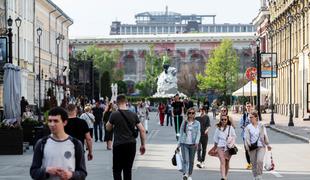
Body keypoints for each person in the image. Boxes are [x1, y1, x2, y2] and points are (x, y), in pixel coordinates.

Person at [30, 107, 87, 180]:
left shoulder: (76, 144)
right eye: (50, 121)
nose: (52, 124)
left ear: (64, 122)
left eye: (56, 121)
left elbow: (82, 173)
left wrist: (71, 175)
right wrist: (46, 170)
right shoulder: (41, 143)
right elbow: (33, 171)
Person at [106, 94, 146, 180]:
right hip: (131, 144)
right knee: (128, 169)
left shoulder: (114, 114)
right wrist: (143, 145)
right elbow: (142, 130)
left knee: (117, 169)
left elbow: (108, 128)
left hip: (118, 145)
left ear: (117, 102)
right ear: (126, 102)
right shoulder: (133, 114)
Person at [245, 111, 272, 180]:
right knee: (253, 163)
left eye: (251, 117)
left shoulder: (261, 126)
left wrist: (268, 144)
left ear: (256, 117)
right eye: (249, 117)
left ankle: (259, 175)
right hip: (252, 147)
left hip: (261, 146)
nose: (250, 119)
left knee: (259, 161)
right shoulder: (248, 127)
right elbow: (247, 138)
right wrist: (248, 145)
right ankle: (255, 176)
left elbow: (265, 136)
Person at [178, 107, 201, 180]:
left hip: (193, 144)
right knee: (186, 160)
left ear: (195, 114)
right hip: (184, 143)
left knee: (191, 161)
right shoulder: (184, 122)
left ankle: (190, 174)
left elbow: (198, 133)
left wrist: (197, 142)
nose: (191, 114)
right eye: (190, 113)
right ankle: (185, 174)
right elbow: (181, 132)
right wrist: (179, 143)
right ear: (187, 114)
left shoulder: (197, 123)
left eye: (193, 113)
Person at [213, 114, 236, 180]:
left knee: (227, 162)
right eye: (222, 119)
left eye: (225, 119)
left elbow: (234, 136)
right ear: (220, 120)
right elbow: (216, 139)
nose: (223, 121)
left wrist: (231, 143)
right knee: (222, 162)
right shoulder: (218, 128)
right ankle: (223, 177)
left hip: (229, 147)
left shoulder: (230, 128)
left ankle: (225, 176)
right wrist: (215, 147)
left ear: (227, 120)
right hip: (220, 146)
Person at [239, 102, 252, 170]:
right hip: (245, 135)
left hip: (253, 136)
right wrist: (245, 127)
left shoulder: (254, 115)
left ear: (251, 107)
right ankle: (249, 163)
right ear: (246, 107)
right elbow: (241, 124)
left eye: (249, 106)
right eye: (247, 106)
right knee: (247, 150)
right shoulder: (244, 116)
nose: (248, 107)